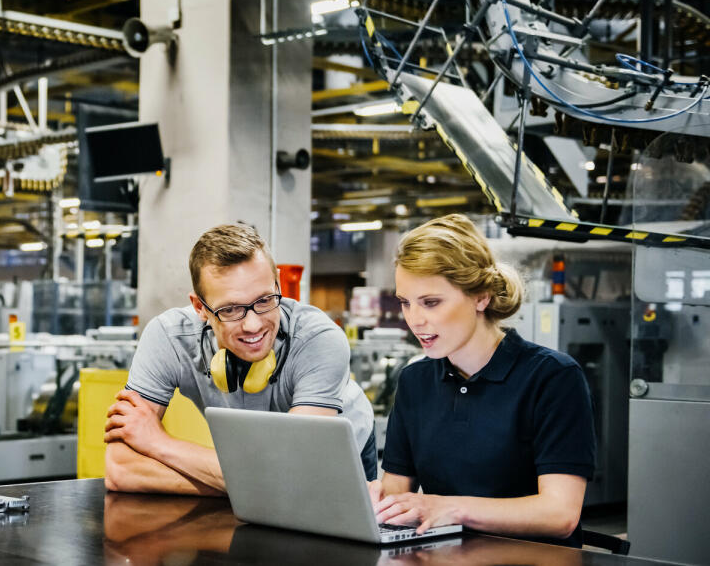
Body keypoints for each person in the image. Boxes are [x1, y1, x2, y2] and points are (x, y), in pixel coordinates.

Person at [370, 214, 596, 547]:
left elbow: (559, 514)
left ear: (481, 297)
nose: (414, 320)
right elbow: (396, 494)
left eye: (431, 302)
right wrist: (375, 499)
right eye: (406, 303)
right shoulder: (414, 381)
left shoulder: (553, 378)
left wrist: (451, 508)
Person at [104, 223, 376, 495]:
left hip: (340, 454)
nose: (253, 324)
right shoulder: (169, 337)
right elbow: (121, 469)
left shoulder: (318, 339)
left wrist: (158, 443)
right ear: (200, 307)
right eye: (231, 309)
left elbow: (294, 472)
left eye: (264, 300)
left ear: (278, 284)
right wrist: (250, 484)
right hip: (252, 467)